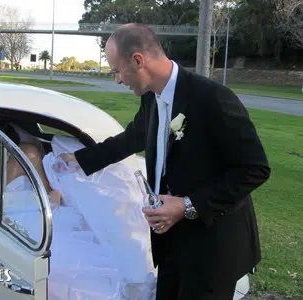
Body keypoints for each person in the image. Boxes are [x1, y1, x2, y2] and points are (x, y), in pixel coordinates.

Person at [60, 23, 271, 299]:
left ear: (138, 61)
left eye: (116, 70)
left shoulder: (212, 99)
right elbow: (131, 138)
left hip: (212, 249)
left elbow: (255, 169)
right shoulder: (151, 98)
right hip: (169, 240)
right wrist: (73, 159)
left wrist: (186, 205)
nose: (117, 80)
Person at [0, 122, 157, 299]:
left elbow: (47, 191)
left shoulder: (27, 155)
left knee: (59, 265)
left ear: (7, 149)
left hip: (34, 218)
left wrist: (53, 198)